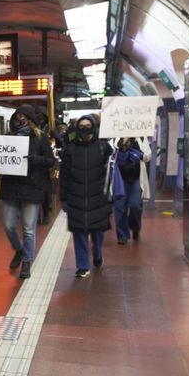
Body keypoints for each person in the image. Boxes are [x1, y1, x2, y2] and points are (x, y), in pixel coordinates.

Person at [0, 105, 55, 279]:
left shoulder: (40, 138)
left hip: (32, 188)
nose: (19, 119)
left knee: (29, 229)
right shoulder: (8, 138)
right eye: (17, 116)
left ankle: (26, 262)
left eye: (23, 116)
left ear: (30, 119)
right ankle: (19, 249)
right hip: (11, 187)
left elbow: (50, 161)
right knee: (8, 225)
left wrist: (36, 160)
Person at [59, 114, 113, 278]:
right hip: (76, 196)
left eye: (87, 125)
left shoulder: (104, 147)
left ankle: (97, 255)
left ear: (94, 127)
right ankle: (83, 266)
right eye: (80, 126)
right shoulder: (70, 149)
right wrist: (64, 198)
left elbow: (111, 172)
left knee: (97, 233)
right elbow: (64, 175)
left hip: (98, 197)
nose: (84, 129)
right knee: (79, 233)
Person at [113, 137, 152, 244]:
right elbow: (111, 155)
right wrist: (123, 143)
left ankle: (135, 228)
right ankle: (122, 235)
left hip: (135, 178)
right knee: (120, 206)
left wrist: (140, 155)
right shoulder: (115, 138)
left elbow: (148, 156)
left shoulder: (141, 138)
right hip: (120, 178)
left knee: (135, 205)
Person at [34, 106, 54, 225]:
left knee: (46, 194)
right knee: (36, 195)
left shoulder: (49, 128)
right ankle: (36, 216)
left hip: (43, 169)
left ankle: (46, 213)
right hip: (34, 169)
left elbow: (50, 158)